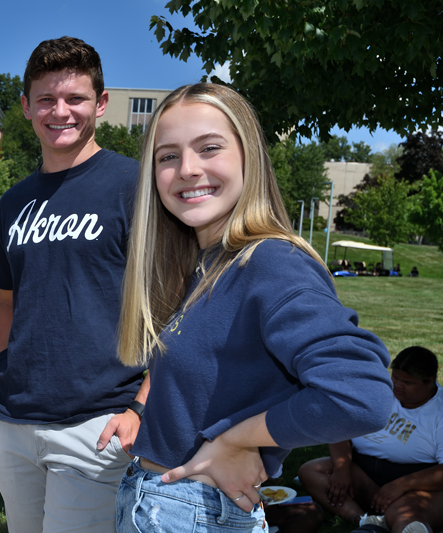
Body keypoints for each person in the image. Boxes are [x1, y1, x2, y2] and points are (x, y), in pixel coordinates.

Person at [114, 83, 393, 533]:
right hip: (165, 501)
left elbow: (360, 395)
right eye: (167, 156)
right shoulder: (206, 264)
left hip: (195, 512)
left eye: (209, 148)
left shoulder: (270, 262)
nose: (187, 169)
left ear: (249, 156)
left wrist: (238, 439)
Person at [0, 36, 149, 532]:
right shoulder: (14, 201)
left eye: (74, 99)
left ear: (100, 103)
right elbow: (8, 303)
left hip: (94, 422)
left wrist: (142, 404)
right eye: (47, 99)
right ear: (27, 106)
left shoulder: (133, 185)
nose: (61, 112)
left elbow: (173, 307)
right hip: (14, 421)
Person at [299, 346, 443, 533]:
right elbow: (341, 431)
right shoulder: (378, 390)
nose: (397, 386)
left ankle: (400, 521)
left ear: (429, 381)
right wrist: (341, 469)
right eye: (395, 378)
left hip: (415, 483)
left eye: (407, 382)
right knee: (311, 470)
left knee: (406, 516)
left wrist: (402, 484)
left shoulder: (439, 411)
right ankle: (365, 521)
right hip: (362, 470)